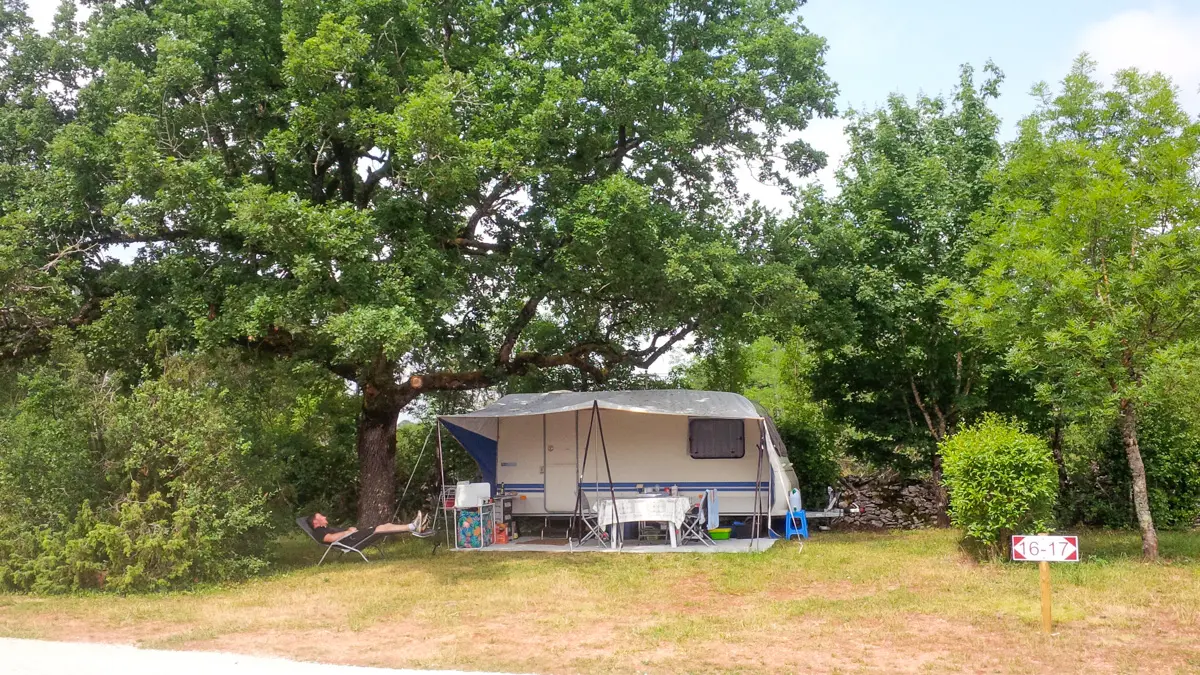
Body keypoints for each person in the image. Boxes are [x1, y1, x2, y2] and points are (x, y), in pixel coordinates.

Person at [307, 511, 433, 548]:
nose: (324, 516)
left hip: (353, 537)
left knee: (384, 526)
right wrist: (347, 532)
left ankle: (416, 527)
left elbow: (335, 534)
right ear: (315, 522)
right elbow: (331, 538)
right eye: (321, 516)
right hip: (351, 541)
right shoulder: (319, 531)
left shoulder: (326, 528)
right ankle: (413, 526)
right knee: (382, 528)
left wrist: (349, 529)